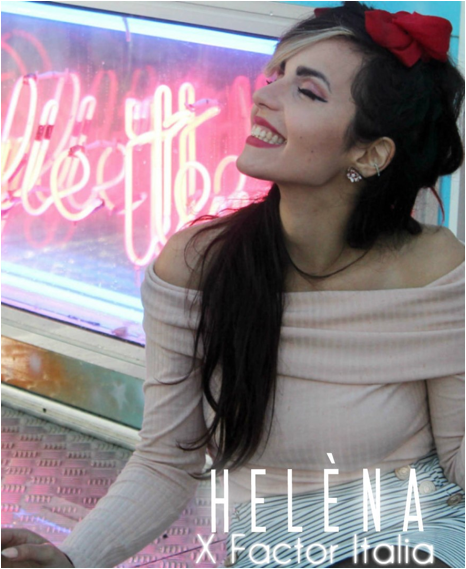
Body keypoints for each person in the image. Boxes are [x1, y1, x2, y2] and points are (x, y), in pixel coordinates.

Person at [1, 2, 465, 568]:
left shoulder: (433, 270)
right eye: (276, 76)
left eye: (307, 91)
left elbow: (458, 450)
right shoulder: (196, 268)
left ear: (369, 154)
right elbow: (167, 461)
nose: (264, 96)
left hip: (417, 531)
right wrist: (72, 558)